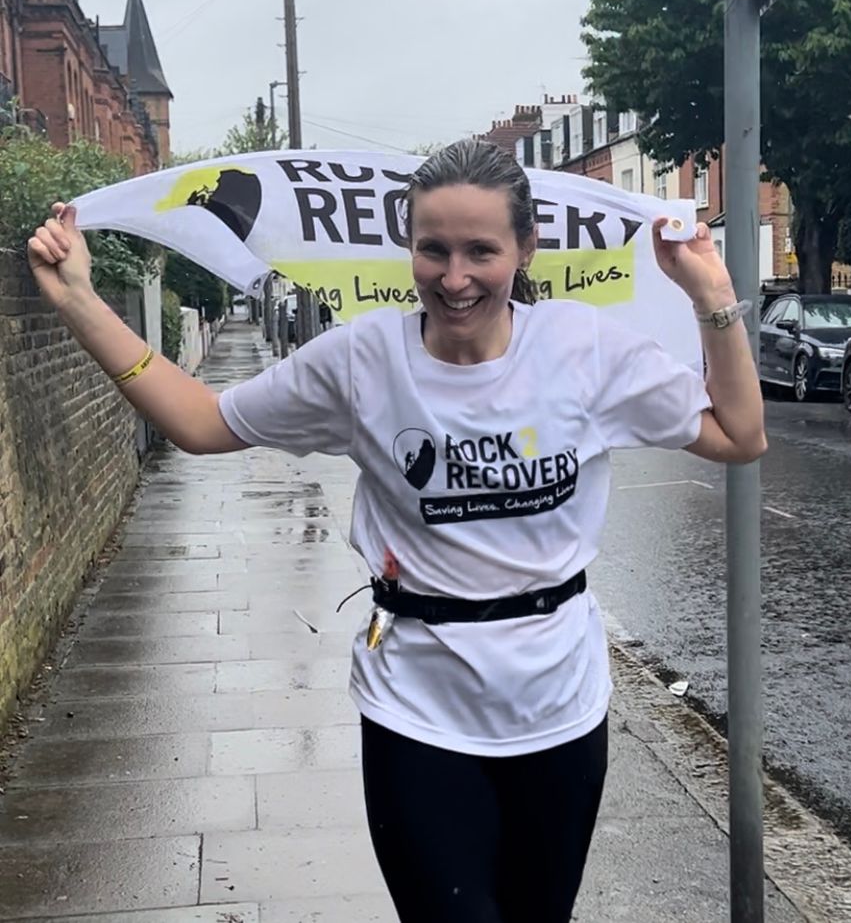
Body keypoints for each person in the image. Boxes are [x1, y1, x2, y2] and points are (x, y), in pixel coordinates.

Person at [27, 139, 765, 923]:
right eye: (433, 250)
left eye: (481, 251)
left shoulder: (583, 349)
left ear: (525, 248)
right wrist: (80, 302)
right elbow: (204, 424)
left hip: (560, 708)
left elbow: (739, 434)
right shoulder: (361, 361)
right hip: (417, 709)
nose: (454, 277)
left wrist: (713, 299)